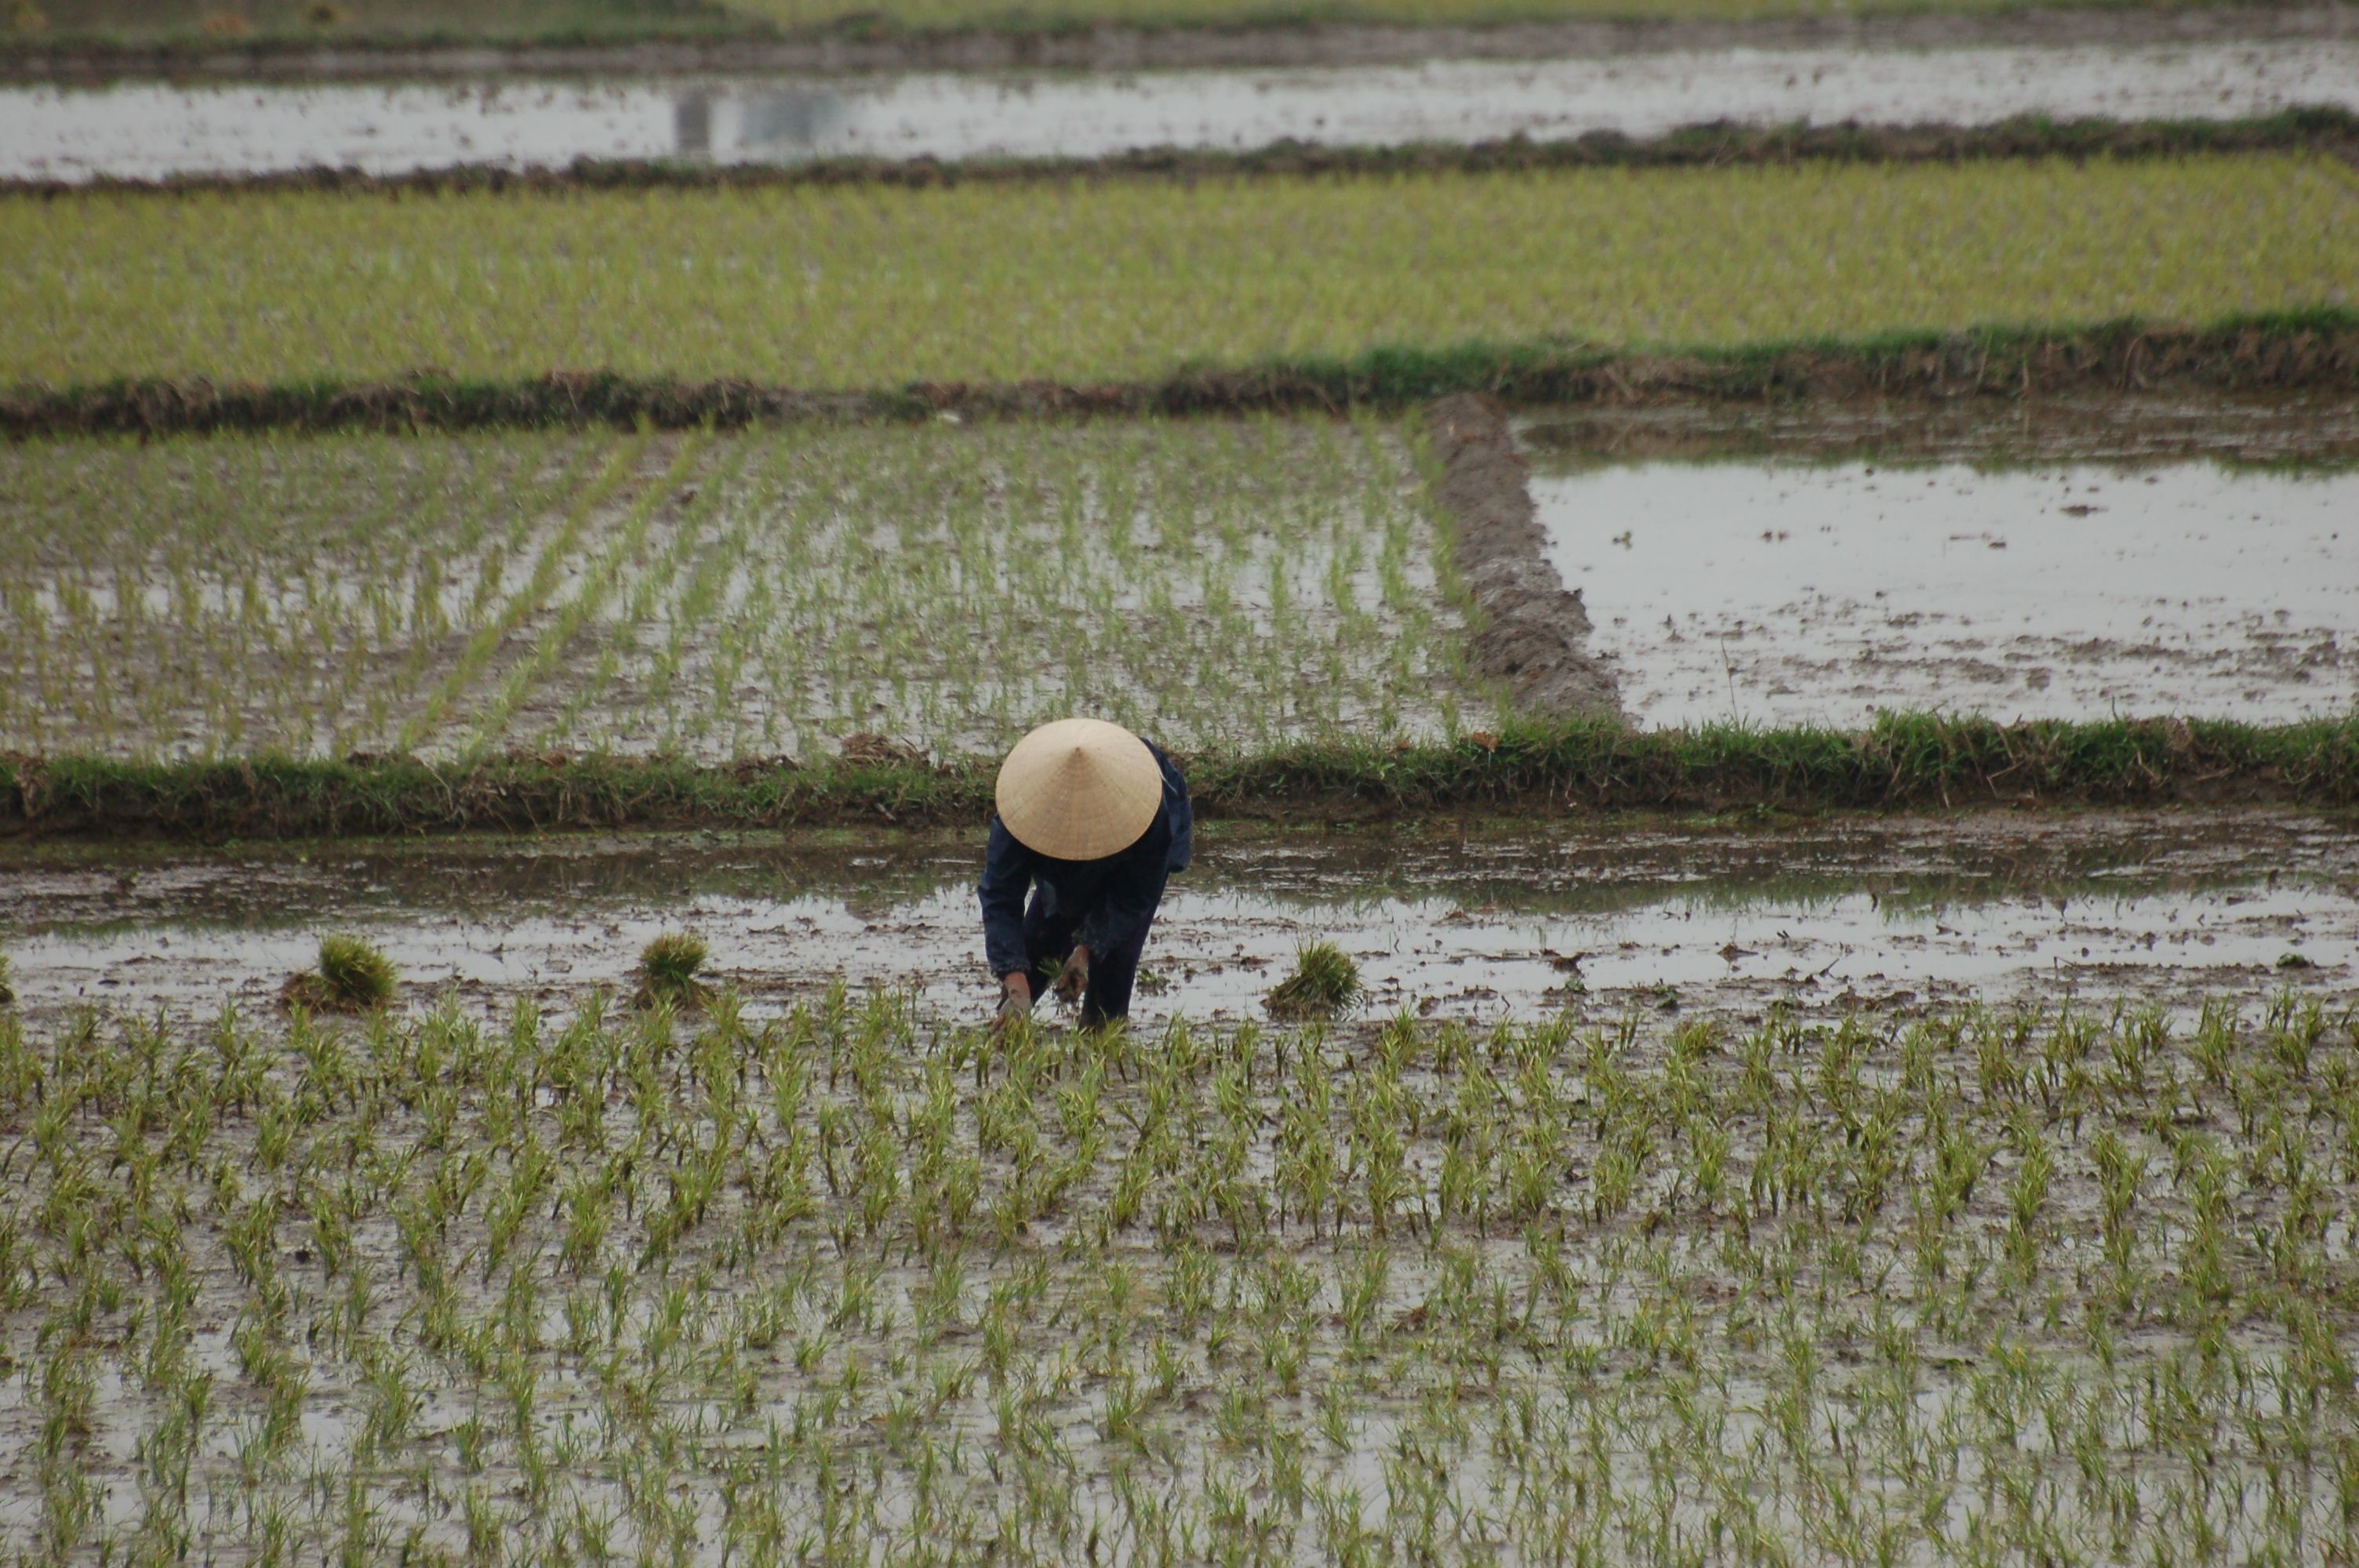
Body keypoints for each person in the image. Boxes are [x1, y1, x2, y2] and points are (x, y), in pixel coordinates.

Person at [978, 718, 1191, 1029]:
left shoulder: (1148, 812)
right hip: (1057, 858)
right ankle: (1013, 1019)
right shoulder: (1021, 811)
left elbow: (1133, 898)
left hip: (1130, 854)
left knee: (1112, 975)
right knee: (1041, 940)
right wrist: (1014, 981)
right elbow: (1000, 896)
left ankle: (1101, 1036)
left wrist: (1086, 950)